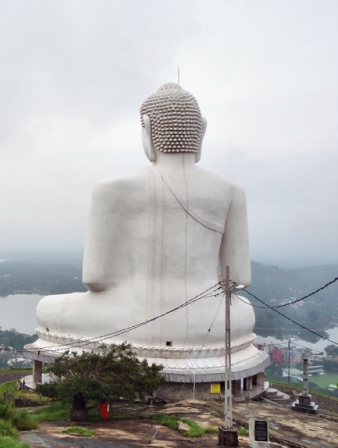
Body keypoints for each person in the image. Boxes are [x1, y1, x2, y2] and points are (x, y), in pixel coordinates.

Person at [35, 83, 255, 350]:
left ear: (148, 129)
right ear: (202, 131)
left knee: (46, 307)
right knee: (245, 307)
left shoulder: (113, 188)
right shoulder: (231, 191)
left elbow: (95, 279)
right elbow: (239, 278)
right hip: (212, 322)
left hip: (132, 317)